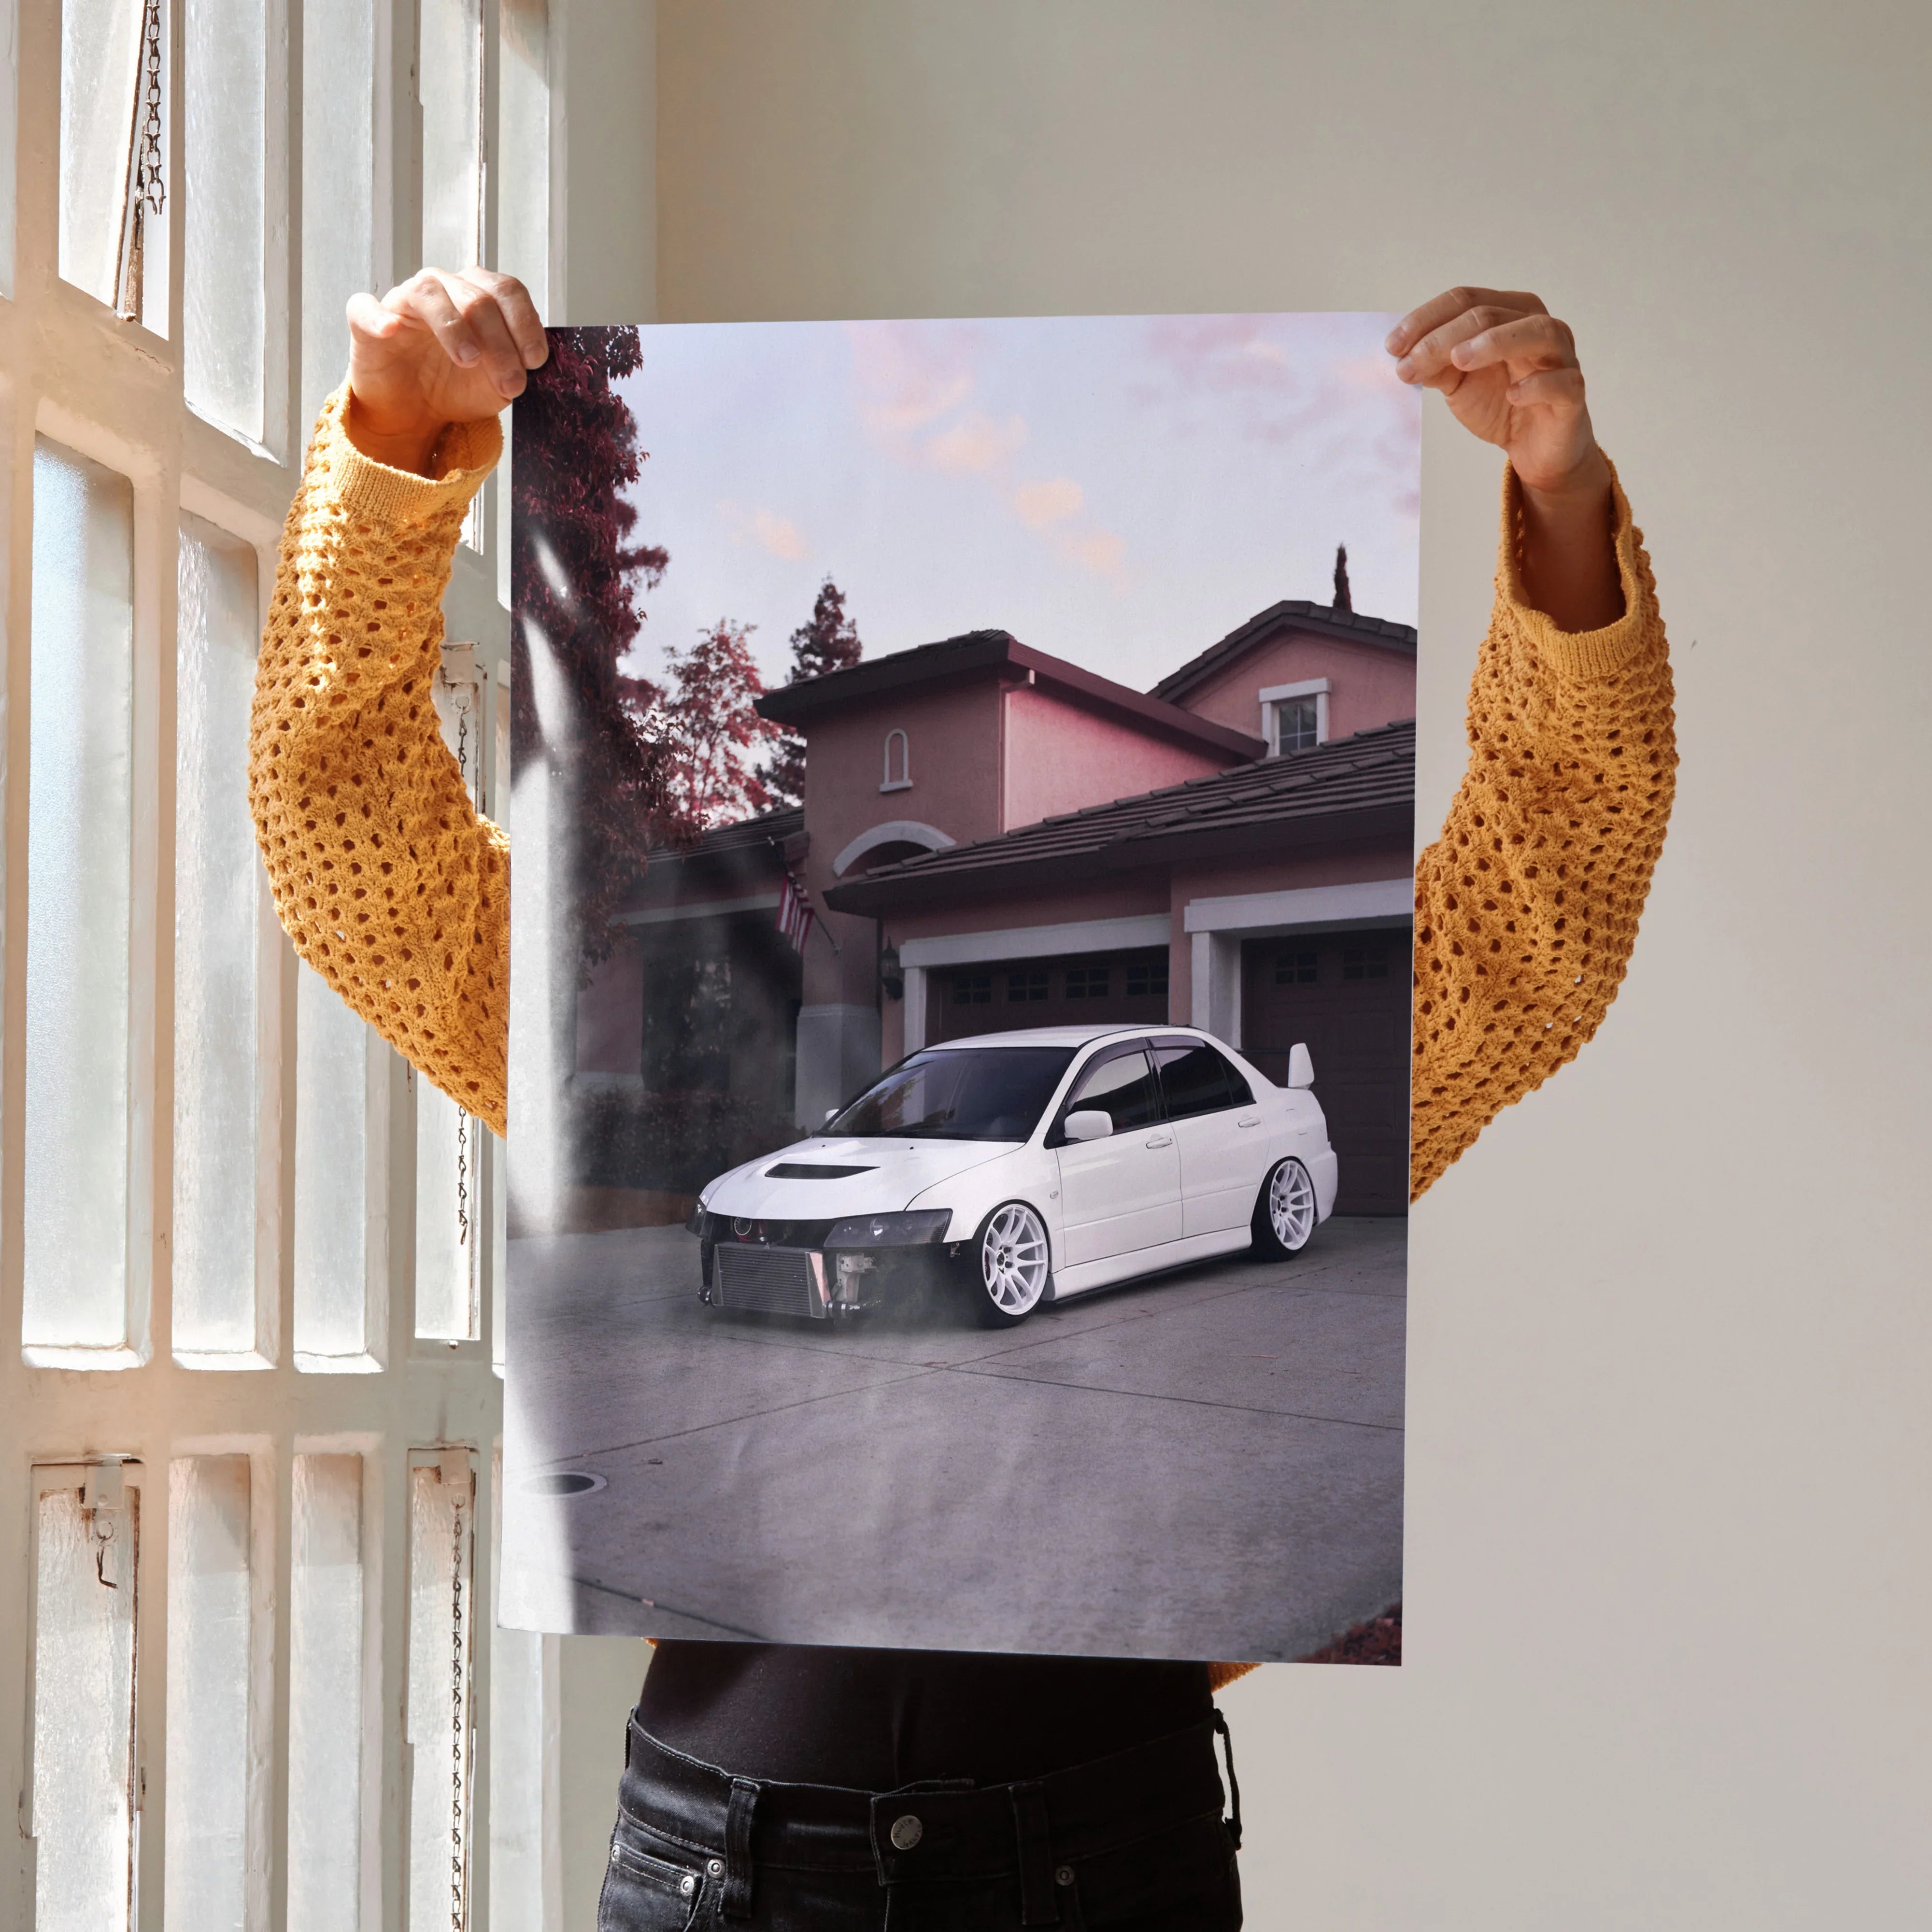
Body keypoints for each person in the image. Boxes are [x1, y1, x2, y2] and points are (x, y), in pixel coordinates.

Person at [250, 271, 1674, 1929]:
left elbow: (1550, 894)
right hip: (725, 1867)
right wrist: (391, 447)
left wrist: (1561, 498)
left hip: (1101, 1855)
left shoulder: (1197, 1107)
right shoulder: (692, 1103)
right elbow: (346, 842)